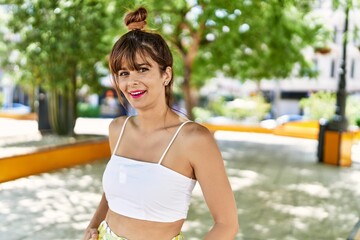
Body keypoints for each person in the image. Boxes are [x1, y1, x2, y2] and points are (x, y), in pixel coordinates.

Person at [83, 7, 238, 240]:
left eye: (142, 70)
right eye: (123, 73)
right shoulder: (118, 128)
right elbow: (115, 191)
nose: (131, 82)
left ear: (166, 74)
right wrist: (93, 226)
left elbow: (226, 224)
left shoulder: (194, 139)